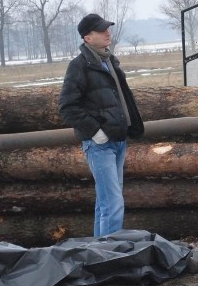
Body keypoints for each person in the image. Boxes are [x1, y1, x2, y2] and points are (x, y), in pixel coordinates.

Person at [58, 13, 144, 237]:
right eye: (101, 30)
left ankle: (100, 253)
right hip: (100, 145)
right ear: (88, 38)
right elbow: (67, 108)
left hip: (118, 140)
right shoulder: (79, 66)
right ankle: (111, 256)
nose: (108, 33)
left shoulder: (109, 61)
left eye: (107, 29)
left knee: (105, 203)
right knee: (112, 203)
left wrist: (129, 126)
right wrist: (95, 132)